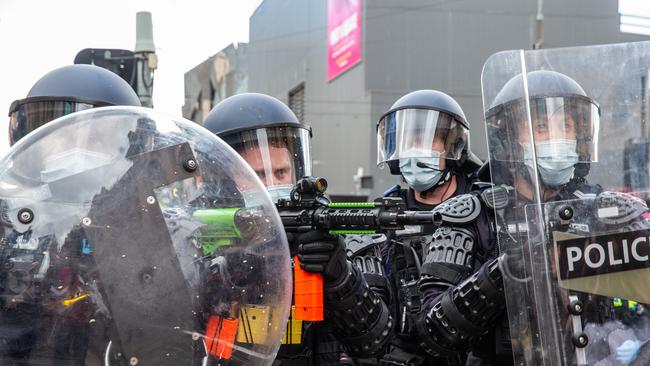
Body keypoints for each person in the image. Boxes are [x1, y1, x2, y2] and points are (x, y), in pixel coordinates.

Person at [295, 89, 490, 366]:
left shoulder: (485, 208)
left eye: (425, 139)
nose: (414, 149)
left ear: (453, 145)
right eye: (407, 140)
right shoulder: (382, 214)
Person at [203, 92, 341, 366]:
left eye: (280, 172)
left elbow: (374, 342)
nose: (272, 184)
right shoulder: (196, 232)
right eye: (257, 175)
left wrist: (343, 277)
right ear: (222, 179)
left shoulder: (322, 225)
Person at [8, 63, 142, 146]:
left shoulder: (150, 192)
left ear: (130, 148)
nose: (75, 149)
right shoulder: (9, 192)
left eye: (93, 139)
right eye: (60, 136)